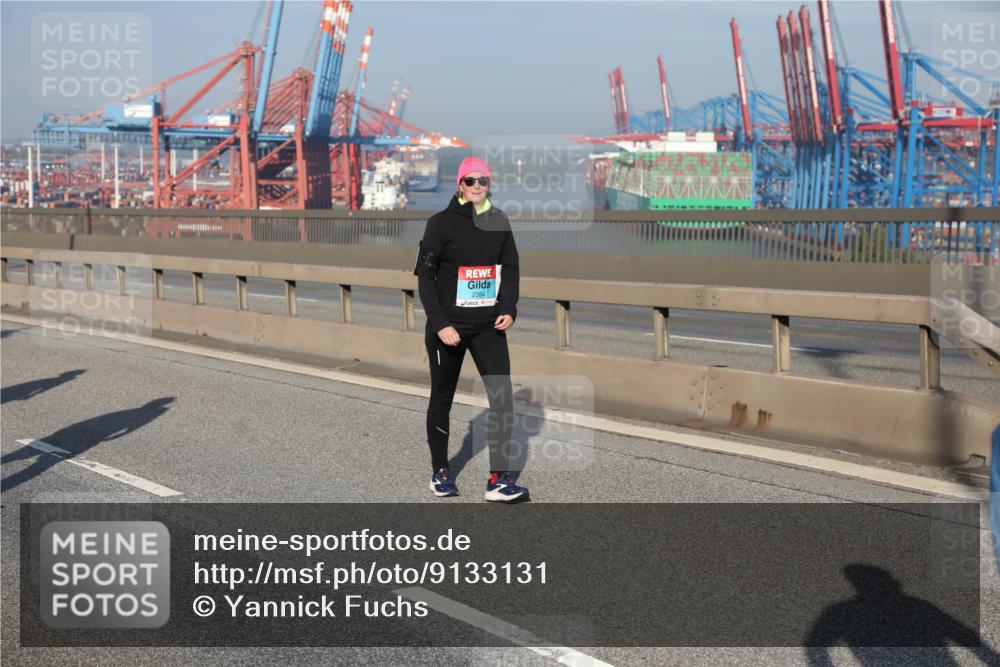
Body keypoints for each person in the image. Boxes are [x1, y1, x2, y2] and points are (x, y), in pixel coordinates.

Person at [414, 156, 527, 502]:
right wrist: (441, 323)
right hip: (448, 327)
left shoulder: (499, 220)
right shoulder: (440, 223)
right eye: (470, 180)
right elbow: (425, 278)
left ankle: (498, 479)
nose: (477, 186)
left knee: (502, 398)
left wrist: (509, 307)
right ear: (459, 185)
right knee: (442, 398)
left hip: (487, 325)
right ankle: (440, 473)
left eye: (483, 181)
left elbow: (510, 267)